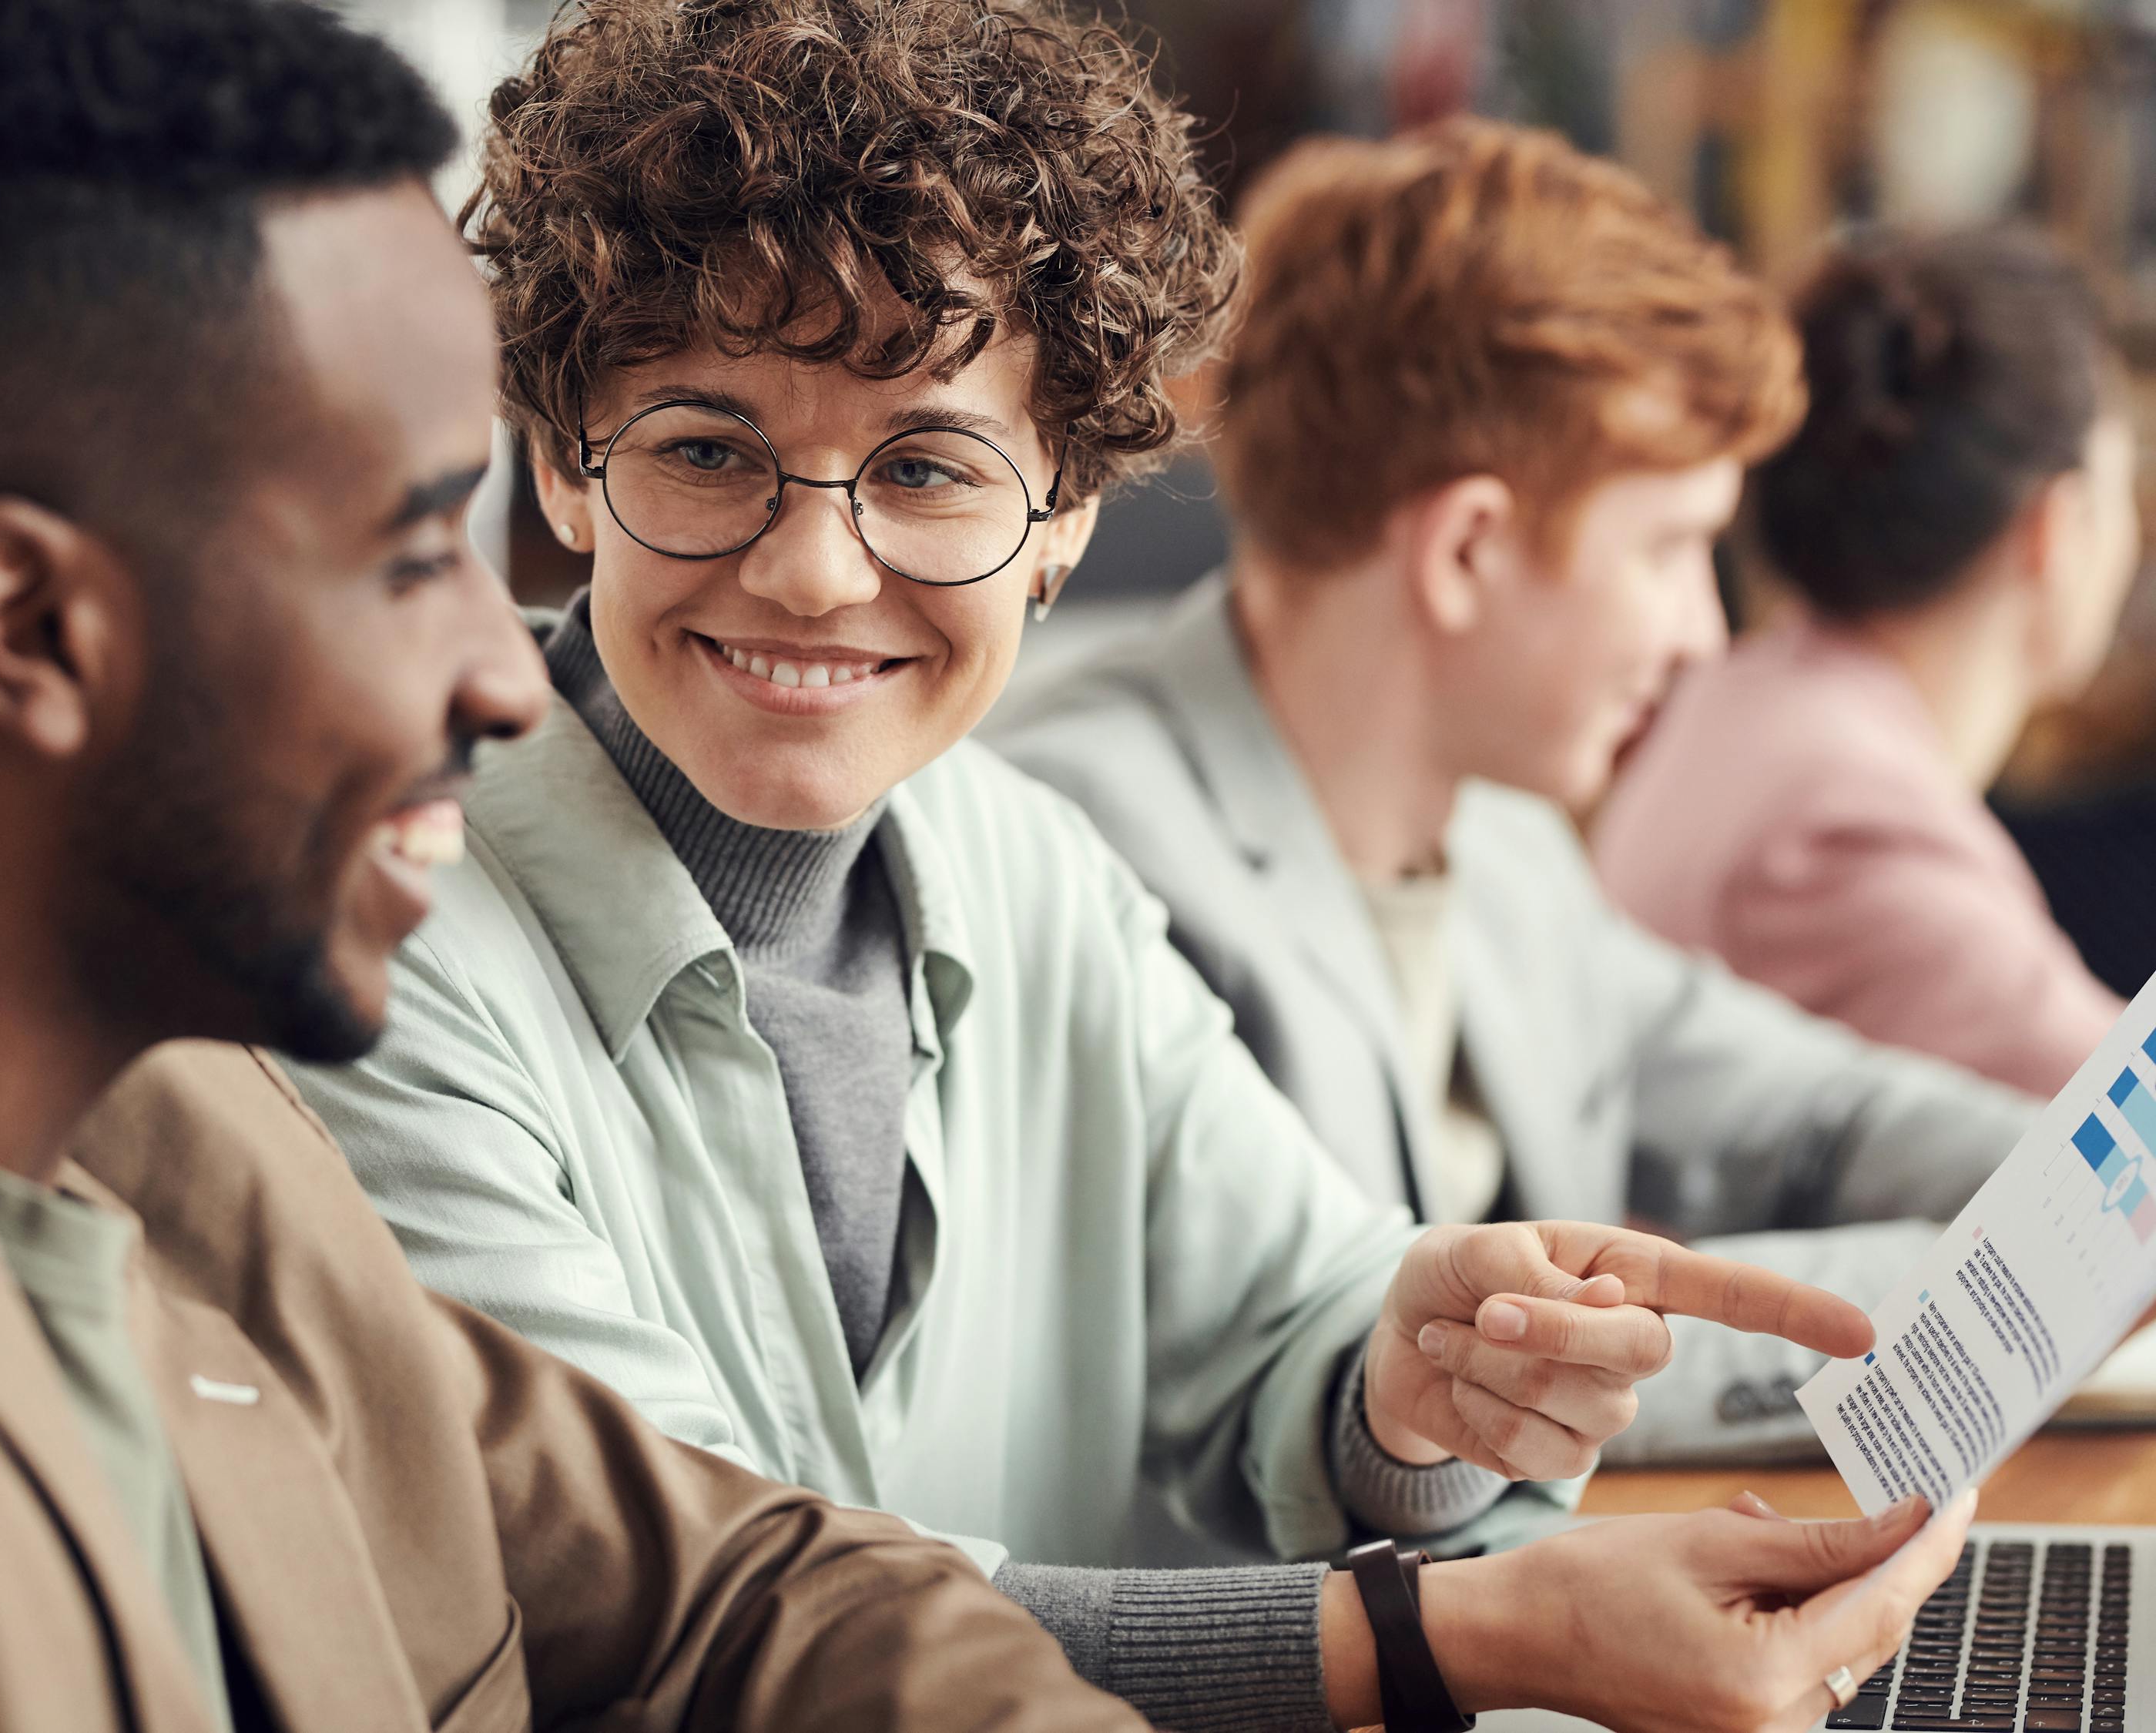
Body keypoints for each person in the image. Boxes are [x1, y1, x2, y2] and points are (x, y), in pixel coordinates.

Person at [274, 8, 1967, 1729]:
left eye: (927, 467)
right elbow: (714, 1624)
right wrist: (1448, 1636)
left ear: (1068, 514)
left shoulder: (1027, 872)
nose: (806, 569)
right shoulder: (373, 964)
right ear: (564, 464)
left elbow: (1301, 1338)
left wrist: (1422, 1391)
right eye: (705, 450)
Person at [0, 2, 1210, 1726]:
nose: (509, 677)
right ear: (34, 628)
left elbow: (744, 1591)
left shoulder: (182, 1124)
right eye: (413, 553)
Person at [987, 119, 2040, 1467]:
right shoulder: (1084, 853)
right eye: (1668, 550)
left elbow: (1818, 1119)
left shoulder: (1498, 837)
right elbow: (1439, 1380)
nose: (1701, 637)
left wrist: (2098, 1196)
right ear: (1470, 550)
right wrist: (1984, 1300)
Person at [1594, 227, 2142, 1097]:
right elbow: (2127, 1137)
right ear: (2056, 530)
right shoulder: (1848, 826)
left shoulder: (1753, 701)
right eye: (2130, 490)